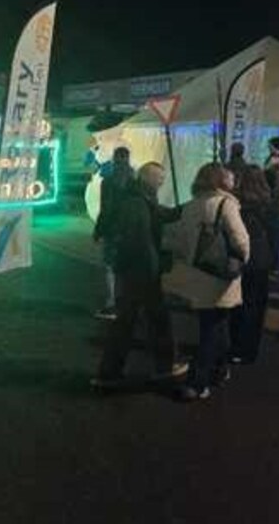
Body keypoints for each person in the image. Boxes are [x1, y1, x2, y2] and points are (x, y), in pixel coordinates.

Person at [93, 162, 188, 394]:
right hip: (141, 272)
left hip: (135, 271)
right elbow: (140, 242)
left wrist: (187, 208)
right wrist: (153, 268)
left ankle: (110, 372)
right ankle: (163, 366)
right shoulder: (137, 203)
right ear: (149, 178)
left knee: (128, 322)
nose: (162, 183)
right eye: (160, 179)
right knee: (154, 320)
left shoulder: (139, 198)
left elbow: (162, 214)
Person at [164, 163, 251, 401]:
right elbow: (240, 239)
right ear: (219, 180)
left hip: (199, 273)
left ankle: (219, 369)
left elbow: (178, 239)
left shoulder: (191, 205)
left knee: (215, 324)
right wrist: (243, 259)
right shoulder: (225, 204)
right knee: (212, 329)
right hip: (220, 275)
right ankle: (198, 381)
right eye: (228, 177)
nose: (233, 180)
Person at [230, 165, 275, 364]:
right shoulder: (268, 205)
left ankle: (235, 345)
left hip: (241, 259)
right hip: (262, 260)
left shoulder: (237, 205)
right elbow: (276, 235)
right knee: (256, 306)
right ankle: (250, 349)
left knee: (238, 303)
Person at [92, 146, 135, 320]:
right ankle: (127, 304)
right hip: (132, 231)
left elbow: (106, 209)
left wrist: (98, 230)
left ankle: (111, 304)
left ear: (114, 159)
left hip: (113, 230)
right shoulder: (135, 182)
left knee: (110, 266)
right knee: (127, 268)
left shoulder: (108, 182)